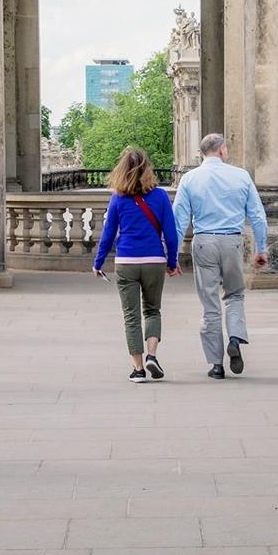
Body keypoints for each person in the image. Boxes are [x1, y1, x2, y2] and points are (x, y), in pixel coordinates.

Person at [172, 132, 268, 378]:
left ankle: (216, 365)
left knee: (210, 304)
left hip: (204, 241)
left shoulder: (190, 179)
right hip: (232, 241)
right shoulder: (241, 176)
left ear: (202, 153)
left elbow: (179, 220)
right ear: (223, 150)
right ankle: (235, 337)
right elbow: (257, 216)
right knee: (235, 295)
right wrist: (261, 248)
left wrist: (172, 254)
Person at [92, 146, 180, 380]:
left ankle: (138, 369)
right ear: (147, 168)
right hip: (154, 260)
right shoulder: (160, 196)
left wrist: (98, 263)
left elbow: (108, 234)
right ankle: (152, 355)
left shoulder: (118, 199)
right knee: (152, 310)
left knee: (131, 316)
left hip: (126, 261)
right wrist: (172, 261)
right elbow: (171, 234)